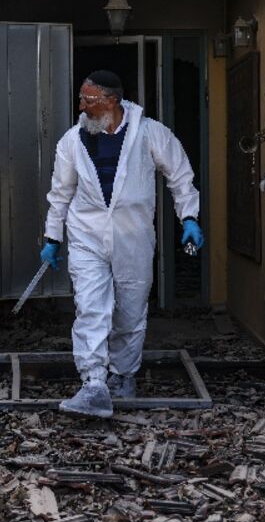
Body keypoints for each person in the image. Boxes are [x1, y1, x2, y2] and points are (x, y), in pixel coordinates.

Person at [39, 69, 203, 418]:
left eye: (89, 100)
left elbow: (180, 174)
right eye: (81, 99)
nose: (81, 106)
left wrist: (189, 217)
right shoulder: (72, 141)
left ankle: (123, 375)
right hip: (86, 235)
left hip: (133, 237)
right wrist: (52, 236)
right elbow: (61, 192)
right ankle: (93, 384)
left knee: (130, 311)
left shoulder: (149, 133)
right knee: (90, 308)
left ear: (111, 102)